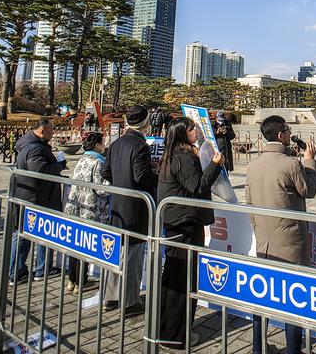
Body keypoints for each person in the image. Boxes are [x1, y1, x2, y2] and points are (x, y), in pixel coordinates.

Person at [245, 115, 316, 354]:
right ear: (280, 135)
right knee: (292, 299)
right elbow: (309, 190)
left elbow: (249, 202)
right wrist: (309, 161)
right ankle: (293, 350)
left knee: (262, 297)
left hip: (263, 241)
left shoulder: (252, 165)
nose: (289, 133)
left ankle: (258, 347)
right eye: (288, 129)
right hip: (289, 244)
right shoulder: (290, 164)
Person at [157, 118, 224, 349]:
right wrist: (216, 164)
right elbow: (198, 186)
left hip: (175, 220)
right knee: (182, 279)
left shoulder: (172, 153)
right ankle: (175, 336)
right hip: (185, 222)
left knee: (173, 276)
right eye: (192, 129)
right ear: (183, 134)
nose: (196, 131)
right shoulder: (184, 157)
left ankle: (165, 328)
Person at [100, 106, 158, 315]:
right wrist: (159, 179)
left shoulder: (117, 143)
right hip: (135, 206)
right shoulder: (140, 144)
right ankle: (130, 301)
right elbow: (142, 175)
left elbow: (105, 170)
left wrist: (120, 183)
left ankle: (110, 297)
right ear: (145, 123)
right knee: (133, 255)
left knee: (118, 251)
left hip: (118, 204)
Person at [9, 117, 66, 284]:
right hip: (37, 198)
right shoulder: (36, 149)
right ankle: (20, 271)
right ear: (41, 131)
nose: (53, 133)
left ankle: (39, 267)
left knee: (31, 234)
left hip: (32, 196)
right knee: (25, 235)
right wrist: (60, 165)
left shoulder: (29, 145)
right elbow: (39, 171)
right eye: (50, 130)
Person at [63, 131, 110, 294]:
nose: (104, 145)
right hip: (90, 208)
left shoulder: (83, 158)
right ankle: (80, 281)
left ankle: (72, 279)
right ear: (97, 145)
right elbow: (101, 187)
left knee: (76, 246)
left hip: (76, 206)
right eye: (103, 142)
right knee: (86, 246)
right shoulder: (97, 161)